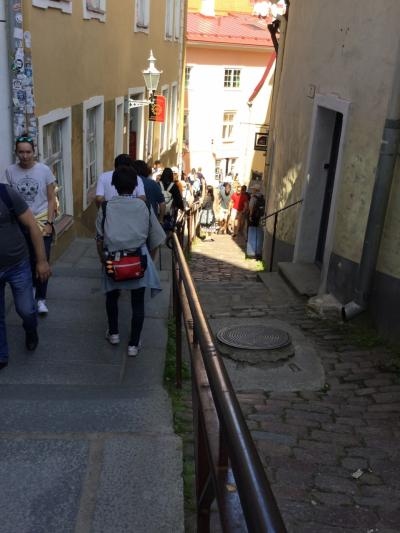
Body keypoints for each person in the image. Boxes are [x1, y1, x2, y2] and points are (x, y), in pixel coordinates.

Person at [95, 166, 165, 357]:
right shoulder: (144, 206)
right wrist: (150, 259)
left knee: (111, 297)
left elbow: (99, 238)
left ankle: (114, 333)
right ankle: (133, 344)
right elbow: (156, 237)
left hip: (113, 259)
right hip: (138, 259)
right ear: (135, 185)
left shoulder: (106, 207)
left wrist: (103, 259)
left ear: (114, 185)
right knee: (137, 303)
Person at [0, 183, 51, 370]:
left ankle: (31, 329)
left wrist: (42, 261)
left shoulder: (5, 193)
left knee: (26, 310)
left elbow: (32, 225)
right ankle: (1, 354)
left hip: (17, 265)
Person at [5, 134, 56, 315]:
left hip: (41, 221)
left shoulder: (44, 170)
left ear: (34, 152)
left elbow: (51, 199)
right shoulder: (10, 171)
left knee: (42, 259)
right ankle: (31, 290)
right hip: (20, 223)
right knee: (25, 261)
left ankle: (41, 298)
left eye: (28, 152)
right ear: (16, 152)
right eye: (21, 152)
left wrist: (49, 222)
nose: (25, 156)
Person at [159, 167, 184, 232]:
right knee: (169, 229)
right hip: (170, 212)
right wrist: (182, 207)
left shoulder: (158, 184)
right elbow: (178, 199)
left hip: (159, 211)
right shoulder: (174, 186)